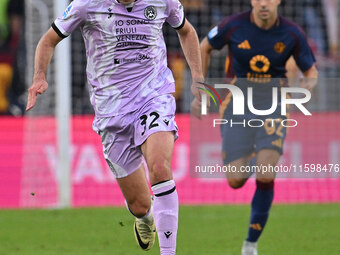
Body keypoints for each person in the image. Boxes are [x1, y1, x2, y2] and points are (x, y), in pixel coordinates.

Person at [26, 0, 203, 254]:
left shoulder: (163, 1)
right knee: (140, 205)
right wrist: (39, 76)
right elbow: (48, 40)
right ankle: (145, 218)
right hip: (112, 112)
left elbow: (186, 31)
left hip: (153, 96)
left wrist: (197, 77)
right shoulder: (86, 5)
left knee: (160, 167)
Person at [196, 0, 318, 254]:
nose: (264, 3)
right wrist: (199, 89)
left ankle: (250, 244)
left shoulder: (292, 33)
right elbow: (204, 47)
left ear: (278, 2)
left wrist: (307, 87)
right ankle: (258, 156)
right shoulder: (233, 25)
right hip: (236, 107)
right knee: (236, 180)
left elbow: (311, 71)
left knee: (265, 174)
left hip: (273, 107)